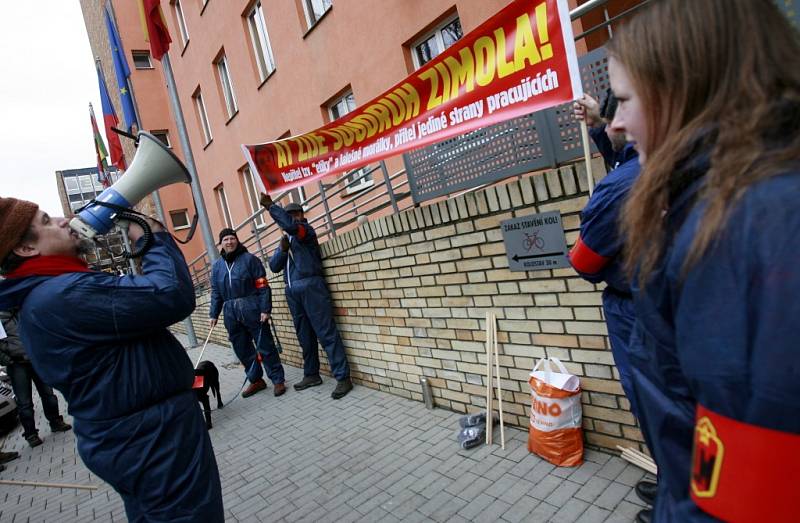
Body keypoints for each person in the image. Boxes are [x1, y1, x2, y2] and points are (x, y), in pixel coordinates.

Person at [607, 1, 800, 521]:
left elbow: (749, 492)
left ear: (682, 88)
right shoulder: (733, 199)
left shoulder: (742, 226)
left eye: (625, 100)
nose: (618, 125)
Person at [0, 197, 224, 522]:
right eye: (47, 222)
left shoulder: (47, 293)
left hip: (140, 434)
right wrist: (152, 235)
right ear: (25, 249)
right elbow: (169, 293)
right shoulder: (62, 294)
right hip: (153, 438)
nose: (65, 220)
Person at [569, 92, 655, 517]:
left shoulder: (620, 187)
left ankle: (679, 496)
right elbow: (620, 156)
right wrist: (596, 123)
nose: (612, 123)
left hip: (636, 311)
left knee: (651, 402)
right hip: (665, 304)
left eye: (619, 107)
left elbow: (584, 261)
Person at [260, 194, 353, 399]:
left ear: (301, 215)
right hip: (292, 292)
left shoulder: (305, 231)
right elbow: (274, 267)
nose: (292, 218)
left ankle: (343, 377)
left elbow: (292, 227)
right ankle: (312, 374)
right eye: (289, 215)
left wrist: (272, 207)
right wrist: (282, 250)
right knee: (305, 337)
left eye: (295, 214)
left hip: (311, 286)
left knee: (326, 333)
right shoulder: (287, 238)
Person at [209, 228, 286, 398]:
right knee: (242, 349)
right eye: (225, 240)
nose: (229, 242)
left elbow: (262, 285)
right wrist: (213, 314)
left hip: (252, 308)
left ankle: (277, 379)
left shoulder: (250, 260)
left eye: (232, 238)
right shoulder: (217, 267)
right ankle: (256, 380)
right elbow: (216, 292)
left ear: (237, 240)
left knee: (265, 346)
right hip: (230, 313)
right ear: (220, 244)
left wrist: (265, 309)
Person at [0, 308, 72, 447]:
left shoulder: (24, 308)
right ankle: (31, 434)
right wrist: (7, 360)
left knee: (48, 394)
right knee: (24, 402)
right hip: (16, 364)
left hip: (36, 358)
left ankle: (55, 421)